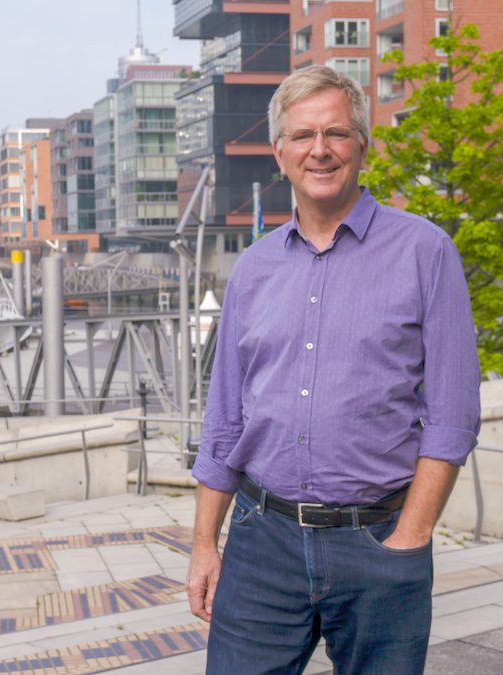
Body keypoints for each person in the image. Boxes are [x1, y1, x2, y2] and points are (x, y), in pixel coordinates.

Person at [185, 65, 482, 674]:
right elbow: (225, 420)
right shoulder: (253, 269)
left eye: (336, 133)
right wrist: (203, 546)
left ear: (362, 145)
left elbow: (452, 413)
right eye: (302, 136)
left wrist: (412, 537)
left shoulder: (425, 251)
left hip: (378, 541)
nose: (319, 150)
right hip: (260, 544)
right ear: (280, 152)